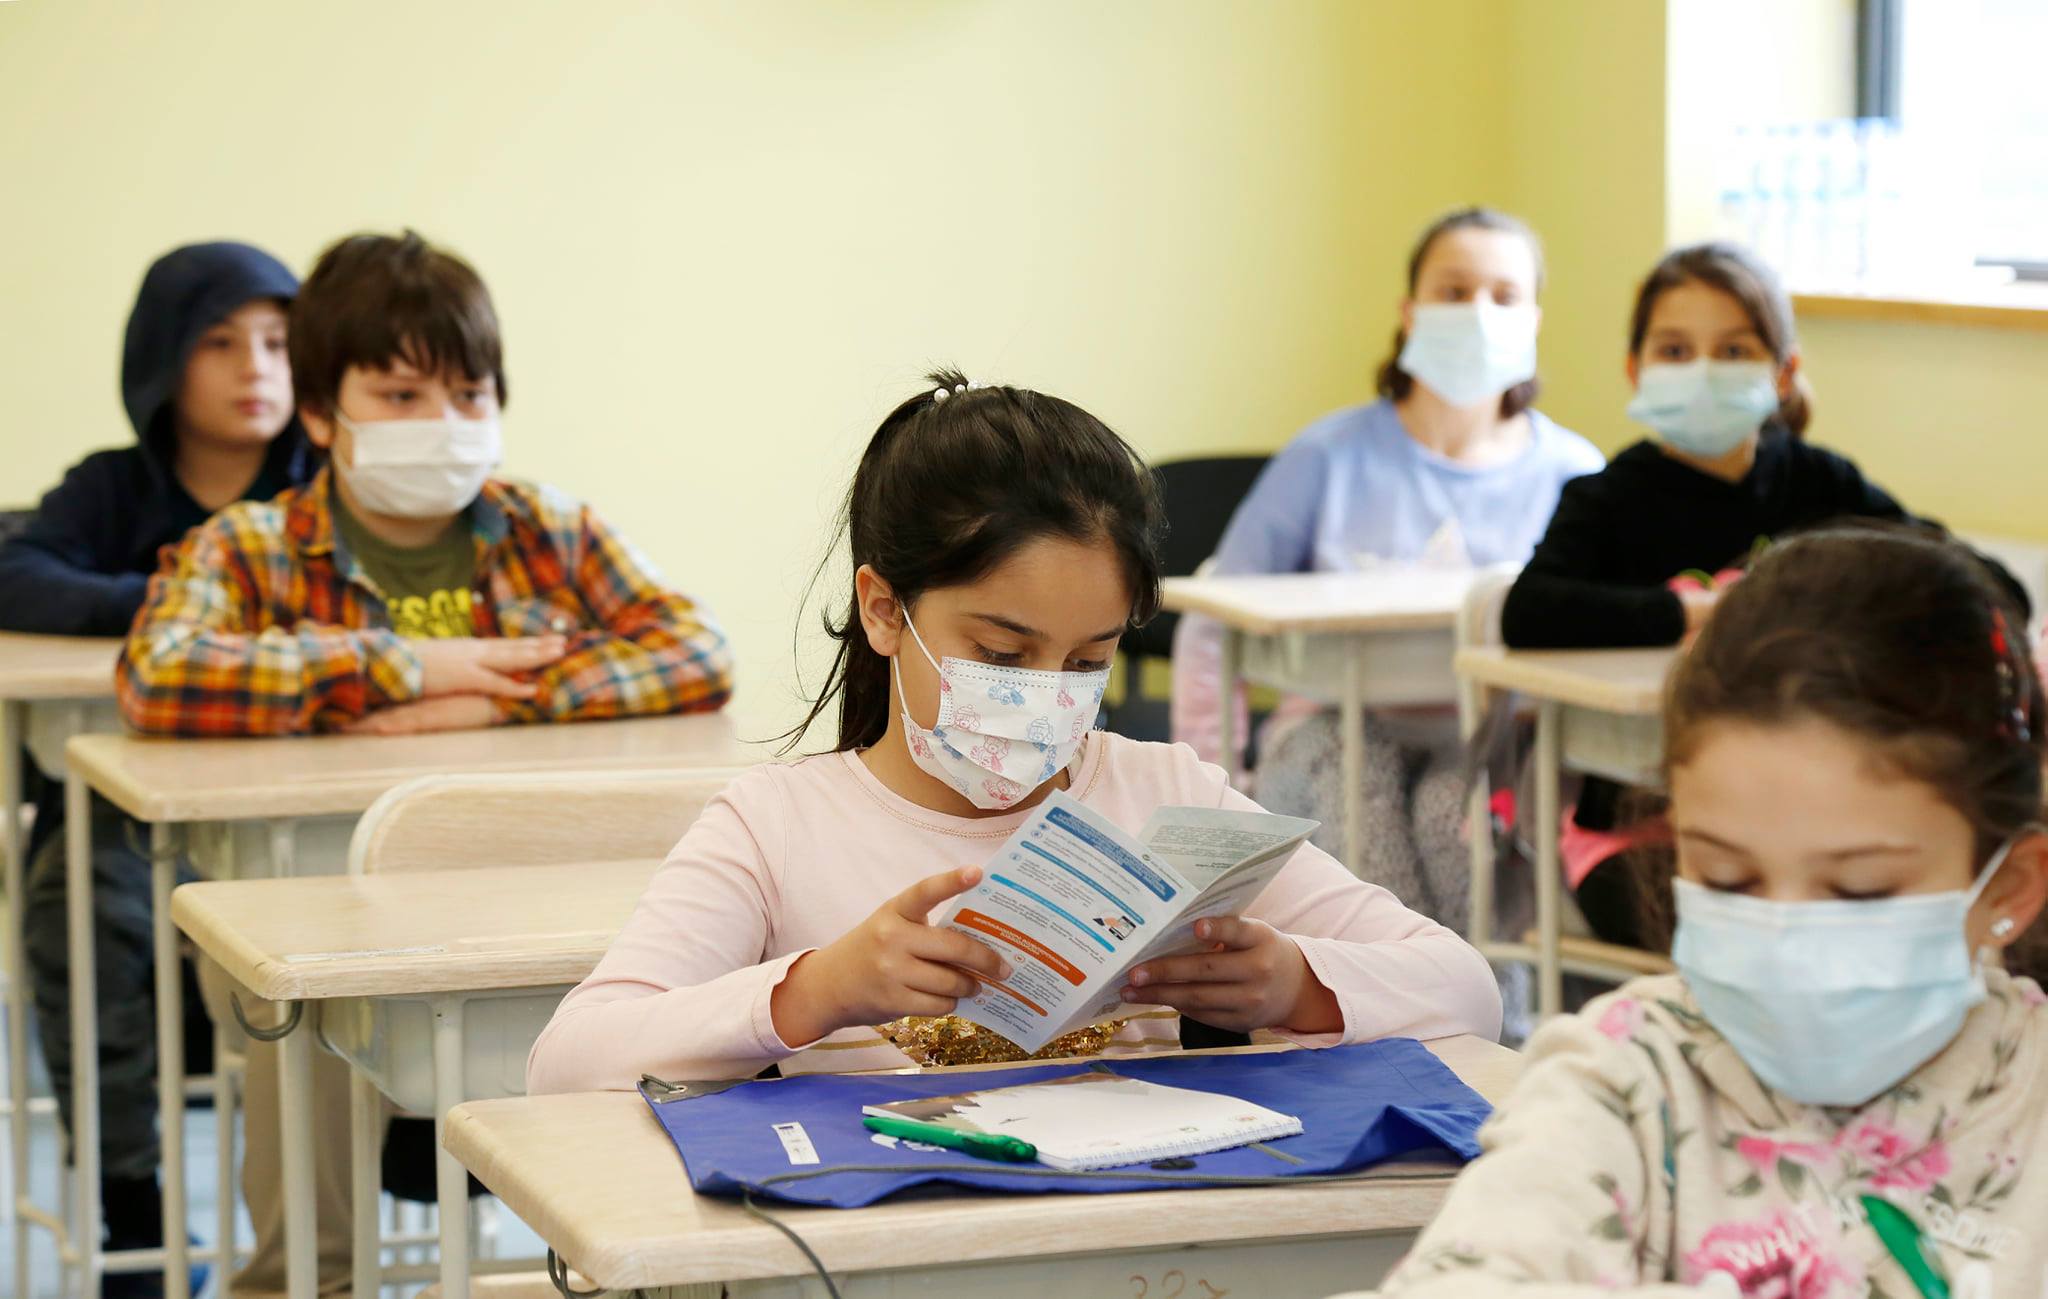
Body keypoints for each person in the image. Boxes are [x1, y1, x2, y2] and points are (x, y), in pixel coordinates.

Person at [528, 370, 1501, 1094]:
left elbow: (1466, 990)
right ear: (883, 610)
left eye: (1086, 663)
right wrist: (817, 991)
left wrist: (1293, 984)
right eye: (1002, 652)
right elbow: (567, 1063)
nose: (1046, 698)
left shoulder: (1164, 794)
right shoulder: (776, 827)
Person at [116, 229, 734, 1296]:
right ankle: (307, 1281)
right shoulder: (252, 547)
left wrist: (495, 700)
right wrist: (402, 664)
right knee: (304, 986)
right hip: (318, 914)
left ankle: (652, 1258)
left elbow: (695, 649)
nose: (442, 423)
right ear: (322, 414)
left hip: (515, 900)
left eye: (467, 394)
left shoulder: (547, 530)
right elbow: (159, 672)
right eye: (401, 396)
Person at [1382, 528, 2048, 1296]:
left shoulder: (2027, 1100)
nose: (1784, 936)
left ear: (2007, 887)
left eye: (1860, 890)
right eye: (1728, 878)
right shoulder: (1625, 1080)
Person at [1500, 241, 2025, 947]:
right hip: (1643, 835)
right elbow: (1529, 610)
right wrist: (1690, 612)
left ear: (1784, 373)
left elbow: (1981, 582)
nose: (1703, 370)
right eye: (1675, 350)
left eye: (1734, 350)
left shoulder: (1820, 485)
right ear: (1634, 369)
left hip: (1827, 827)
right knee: (1781, 942)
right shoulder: (1607, 499)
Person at [0, 240, 310, 1297]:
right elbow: (15, 574)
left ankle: (345, 1200)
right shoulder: (111, 487)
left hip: (296, 814)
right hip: (121, 816)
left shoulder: (325, 493)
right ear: (162, 360)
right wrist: (184, 605)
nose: (255, 367)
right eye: (220, 342)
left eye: (277, 343)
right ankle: (130, 1203)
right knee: (75, 913)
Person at [1171, 207, 1600, 936]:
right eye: (1454, 291)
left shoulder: (1576, 476)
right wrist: (1211, 789)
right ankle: (1388, 984)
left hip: (1495, 748)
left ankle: (1482, 1000)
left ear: (1534, 319)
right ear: (1409, 312)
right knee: (1357, 773)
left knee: (1454, 812)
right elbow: (1214, 620)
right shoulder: (1327, 456)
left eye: (1503, 295)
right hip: (1328, 738)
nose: (1478, 313)